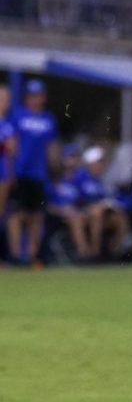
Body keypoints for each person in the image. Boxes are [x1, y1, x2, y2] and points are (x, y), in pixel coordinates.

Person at [7, 80, 58, 267]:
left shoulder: (48, 119)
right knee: (17, 214)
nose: (35, 100)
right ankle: (15, 254)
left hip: (39, 174)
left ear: (43, 97)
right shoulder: (18, 116)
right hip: (20, 172)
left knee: (36, 215)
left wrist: (55, 169)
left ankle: (31, 254)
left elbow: (51, 147)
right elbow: (12, 144)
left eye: (38, 96)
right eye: (31, 96)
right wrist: (11, 170)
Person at [0, 85, 15, 235]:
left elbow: (11, 152)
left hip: (3, 173)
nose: (3, 102)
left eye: (6, 99)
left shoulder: (7, 124)